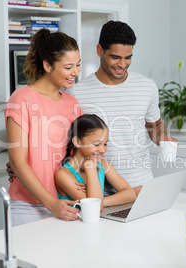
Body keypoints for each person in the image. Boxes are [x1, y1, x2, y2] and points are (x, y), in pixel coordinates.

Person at [67, 20, 177, 196]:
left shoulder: (147, 86)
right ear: (99, 50)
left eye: (128, 58)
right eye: (115, 57)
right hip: (97, 189)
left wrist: (163, 138)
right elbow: (70, 142)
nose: (122, 64)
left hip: (142, 185)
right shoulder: (77, 92)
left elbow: (154, 125)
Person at [5, 29, 83, 225]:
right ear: (47, 65)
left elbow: (78, 155)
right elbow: (18, 162)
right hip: (28, 206)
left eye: (78, 65)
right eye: (68, 67)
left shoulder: (72, 103)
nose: (75, 72)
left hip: (66, 203)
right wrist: (51, 203)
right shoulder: (21, 99)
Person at [55, 114, 136, 208]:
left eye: (105, 144)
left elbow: (131, 194)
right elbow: (94, 208)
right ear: (77, 142)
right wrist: (90, 168)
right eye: (96, 144)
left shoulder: (102, 162)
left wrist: (100, 201)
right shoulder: (63, 175)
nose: (102, 150)